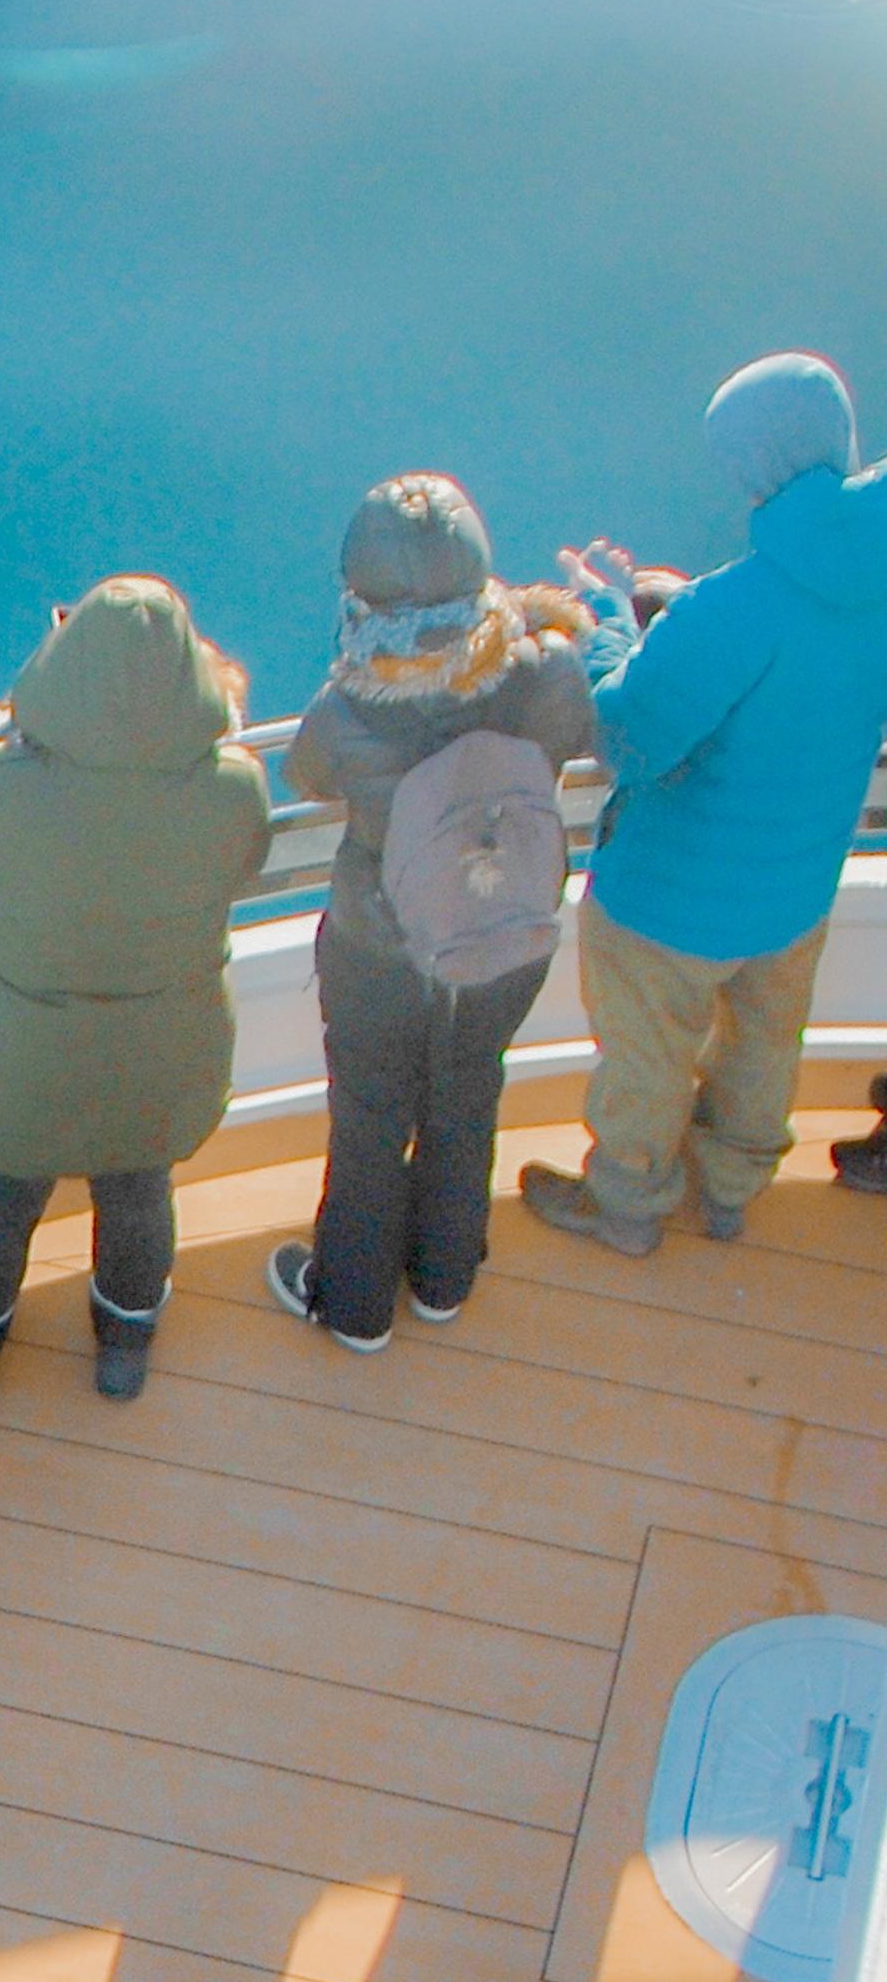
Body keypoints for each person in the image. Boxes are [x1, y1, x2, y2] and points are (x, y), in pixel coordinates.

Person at [524, 350, 887, 1252]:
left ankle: (630, 1207)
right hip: (797, 891)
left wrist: (611, 630)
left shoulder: (734, 606)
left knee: (648, 1061)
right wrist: (678, 612)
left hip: (671, 903)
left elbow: (629, 737)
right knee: (763, 1049)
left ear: (753, 467)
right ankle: (730, 1188)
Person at [0, 576, 275, 1410]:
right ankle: (123, 1346)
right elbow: (246, 858)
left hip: (23, 1061)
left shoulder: (6, 784)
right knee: (138, 1192)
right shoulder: (233, 785)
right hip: (158, 1055)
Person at [265, 477, 597, 1345]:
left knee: (372, 1118)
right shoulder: (548, 669)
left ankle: (356, 1305)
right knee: (467, 1091)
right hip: (503, 930)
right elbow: (571, 729)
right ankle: (445, 1279)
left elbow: (303, 777)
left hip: (383, 948)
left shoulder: (344, 710)